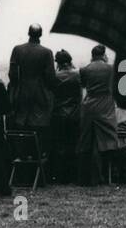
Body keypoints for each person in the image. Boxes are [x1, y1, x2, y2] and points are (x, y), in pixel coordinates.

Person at [8, 23, 58, 152]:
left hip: (22, 93)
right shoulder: (47, 52)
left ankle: (24, 155)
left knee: (22, 126)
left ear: (28, 33)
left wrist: (16, 89)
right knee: (39, 128)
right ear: (40, 34)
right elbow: (50, 77)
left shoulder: (17, 49)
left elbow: (12, 75)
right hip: (40, 94)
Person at [76, 45, 119, 185]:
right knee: (108, 140)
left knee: (87, 141)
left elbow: (83, 85)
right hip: (106, 104)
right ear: (104, 55)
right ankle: (108, 175)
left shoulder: (84, 69)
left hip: (89, 105)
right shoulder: (111, 68)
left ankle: (87, 177)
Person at [50, 49, 82, 182]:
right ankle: (74, 174)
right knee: (74, 144)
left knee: (60, 145)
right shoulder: (77, 75)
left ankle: (61, 176)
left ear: (58, 63)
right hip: (75, 114)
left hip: (59, 114)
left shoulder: (55, 76)